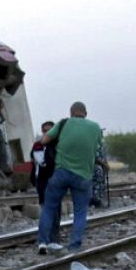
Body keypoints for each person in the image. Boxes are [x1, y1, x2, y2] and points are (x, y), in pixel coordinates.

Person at [35, 101, 105, 253]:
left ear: (71, 112)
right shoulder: (95, 127)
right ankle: (74, 246)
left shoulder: (63, 123)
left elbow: (44, 141)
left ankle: (43, 242)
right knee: (80, 212)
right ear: (85, 113)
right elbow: (98, 148)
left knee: (49, 208)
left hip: (61, 173)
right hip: (83, 176)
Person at [30, 120, 56, 203]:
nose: (47, 133)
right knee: (45, 203)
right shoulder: (38, 145)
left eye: (50, 130)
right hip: (43, 178)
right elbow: (43, 162)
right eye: (45, 131)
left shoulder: (58, 144)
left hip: (56, 177)